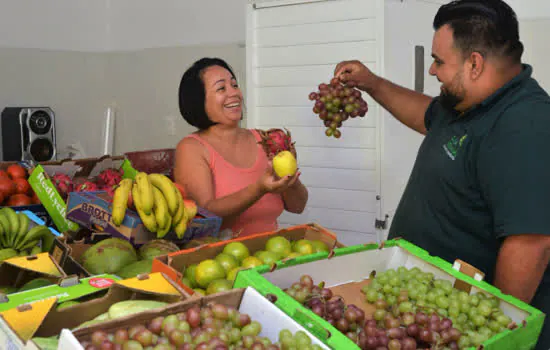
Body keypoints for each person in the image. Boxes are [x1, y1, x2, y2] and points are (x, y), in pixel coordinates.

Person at [334, 0, 549, 348]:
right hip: (425, 310)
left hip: (462, 326)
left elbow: (531, 244)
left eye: (439, 61)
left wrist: (498, 334)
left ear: (475, 64)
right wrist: (372, 84)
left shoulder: (526, 125)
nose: (433, 71)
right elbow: (427, 117)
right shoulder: (466, 101)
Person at [174, 57, 308, 238]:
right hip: (220, 260)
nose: (234, 93)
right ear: (198, 101)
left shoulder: (264, 140)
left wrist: (290, 180)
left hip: (273, 256)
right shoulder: (191, 148)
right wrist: (259, 189)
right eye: (221, 88)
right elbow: (205, 216)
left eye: (234, 85)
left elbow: (297, 207)